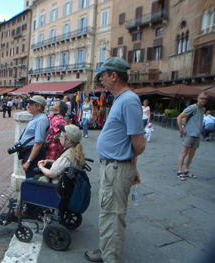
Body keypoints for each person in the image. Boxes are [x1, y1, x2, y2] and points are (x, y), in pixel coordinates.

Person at [85, 57, 145, 263]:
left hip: (117, 168)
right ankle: (106, 250)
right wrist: (131, 165)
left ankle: (111, 258)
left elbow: (139, 143)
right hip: (115, 167)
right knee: (107, 213)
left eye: (103, 74)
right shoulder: (120, 99)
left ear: (114, 75)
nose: (100, 77)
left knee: (112, 216)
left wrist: (127, 163)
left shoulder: (128, 100)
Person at [177, 92, 208, 181]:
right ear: (198, 98)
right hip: (189, 134)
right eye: (202, 98)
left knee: (191, 154)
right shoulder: (193, 107)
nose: (204, 100)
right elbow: (180, 117)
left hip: (197, 135)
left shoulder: (203, 109)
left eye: (205, 99)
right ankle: (179, 171)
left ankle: (186, 170)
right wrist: (181, 130)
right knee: (184, 153)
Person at [20, 95, 49, 179]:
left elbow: (38, 143)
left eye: (31, 104)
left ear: (38, 106)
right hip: (30, 153)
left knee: (32, 179)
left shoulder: (41, 120)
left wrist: (29, 161)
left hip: (34, 155)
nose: (27, 106)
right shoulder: (36, 118)